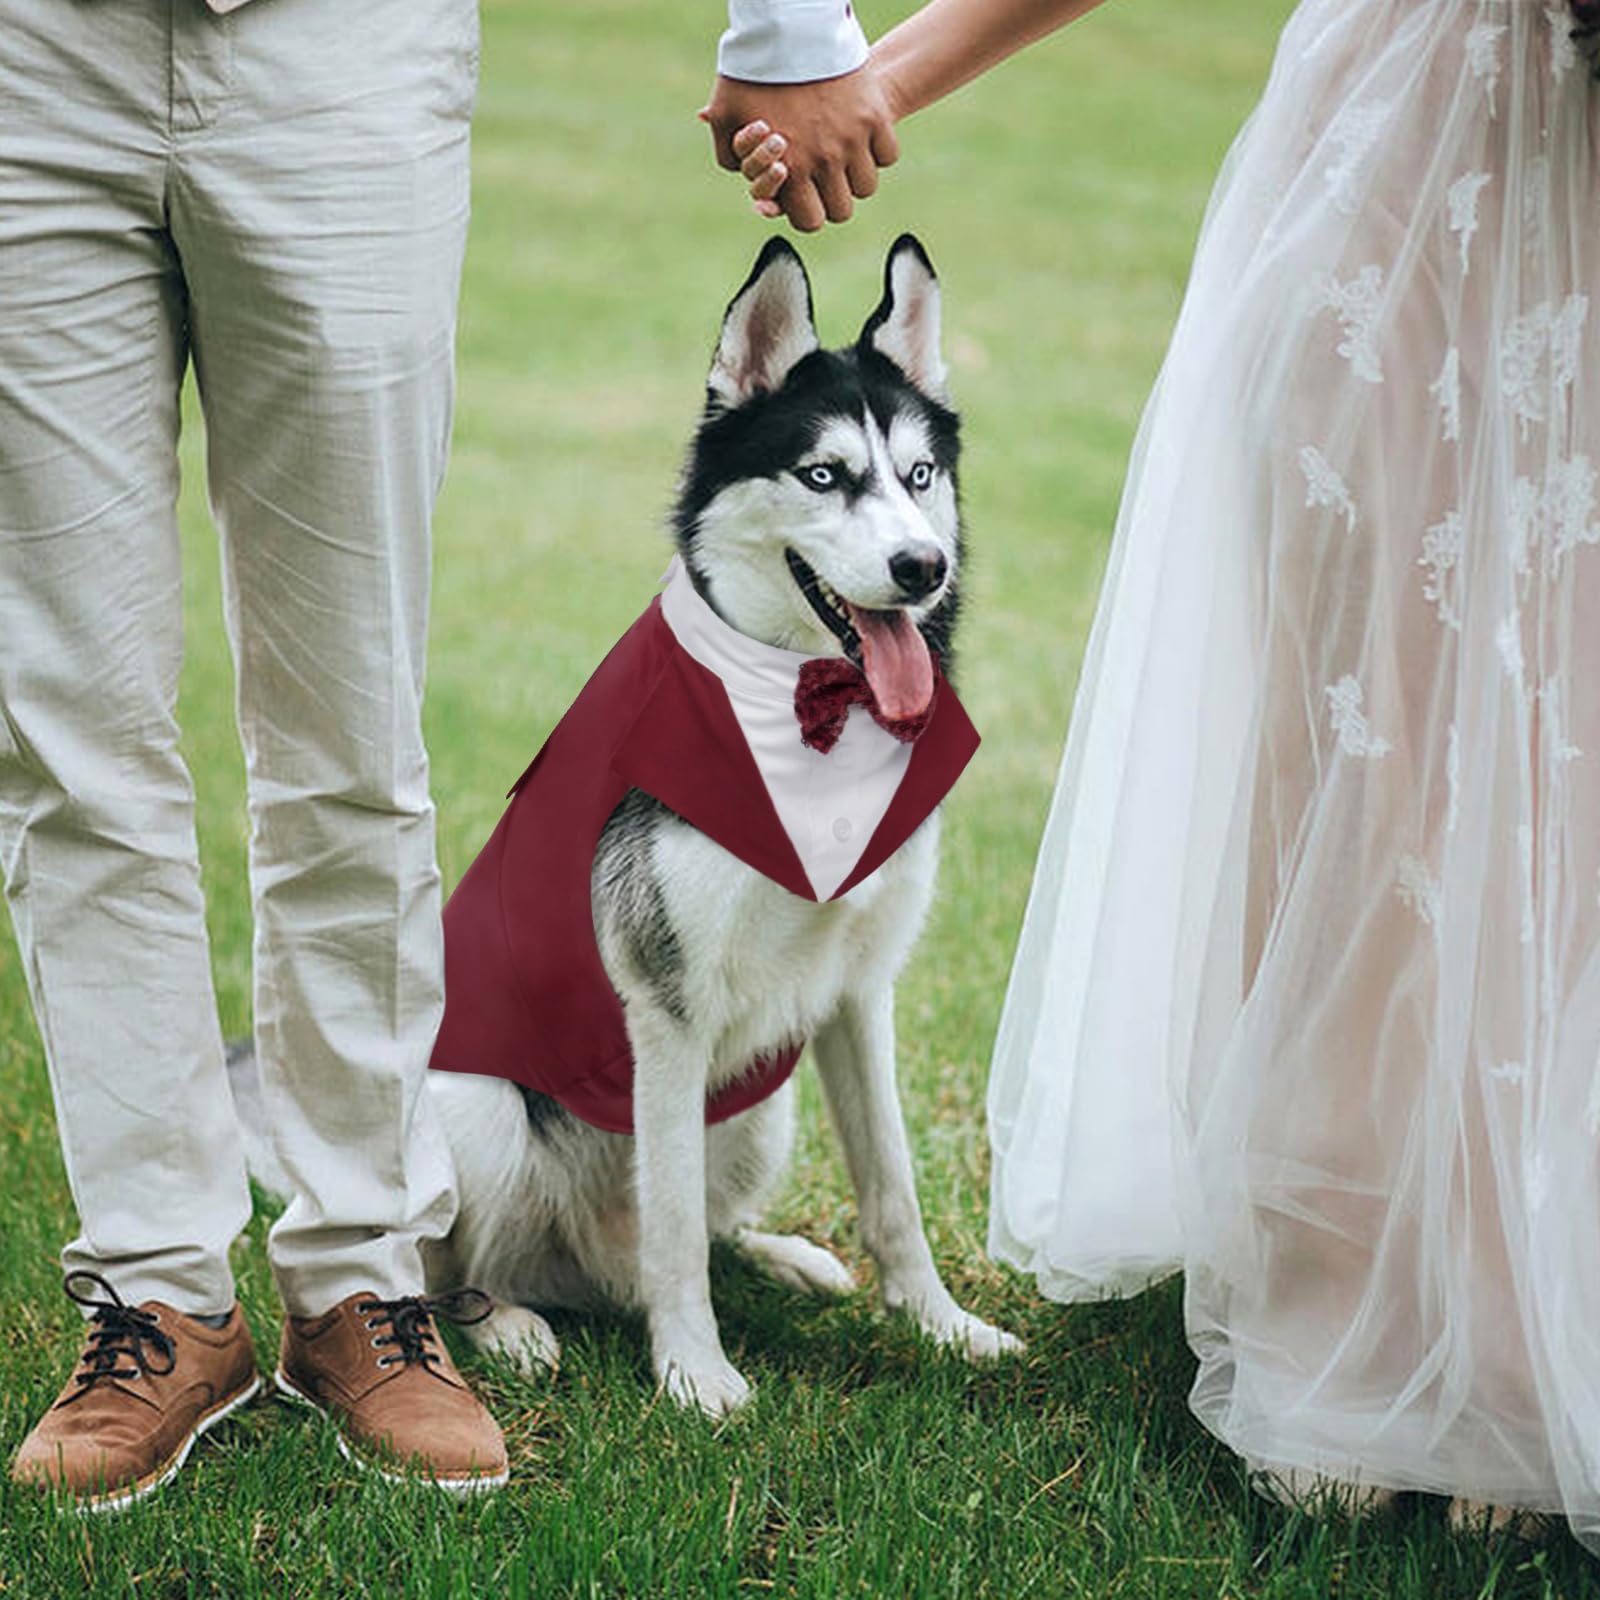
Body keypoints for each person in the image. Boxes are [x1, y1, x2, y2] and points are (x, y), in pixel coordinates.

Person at [712, 0, 1600, 1547]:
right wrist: (881, 77)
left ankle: (1539, 1284)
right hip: (1412, 151)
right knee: (1363, 731)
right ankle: (1355, 1290)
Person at [0, 0, 507, 1505]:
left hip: (338, 54)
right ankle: (160, 1291)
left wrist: (790, 23)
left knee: (351, 724)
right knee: (71, 731)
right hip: (31, 58)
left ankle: (362, 1268)